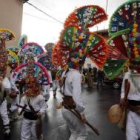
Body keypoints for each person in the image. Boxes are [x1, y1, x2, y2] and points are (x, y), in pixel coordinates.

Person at [61, 63, 88, 140]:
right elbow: (76, 97)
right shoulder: (76, 75)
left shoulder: (65, 72)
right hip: (73, 109)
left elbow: (62, 90)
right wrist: (81, 112)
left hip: (65, 109)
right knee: (82, 135)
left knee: (74, 133)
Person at [120, 69, 140, 140]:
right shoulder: (127, 75)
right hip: (130, 112)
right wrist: (122, 98)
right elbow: (123, 90)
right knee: (130, 138)